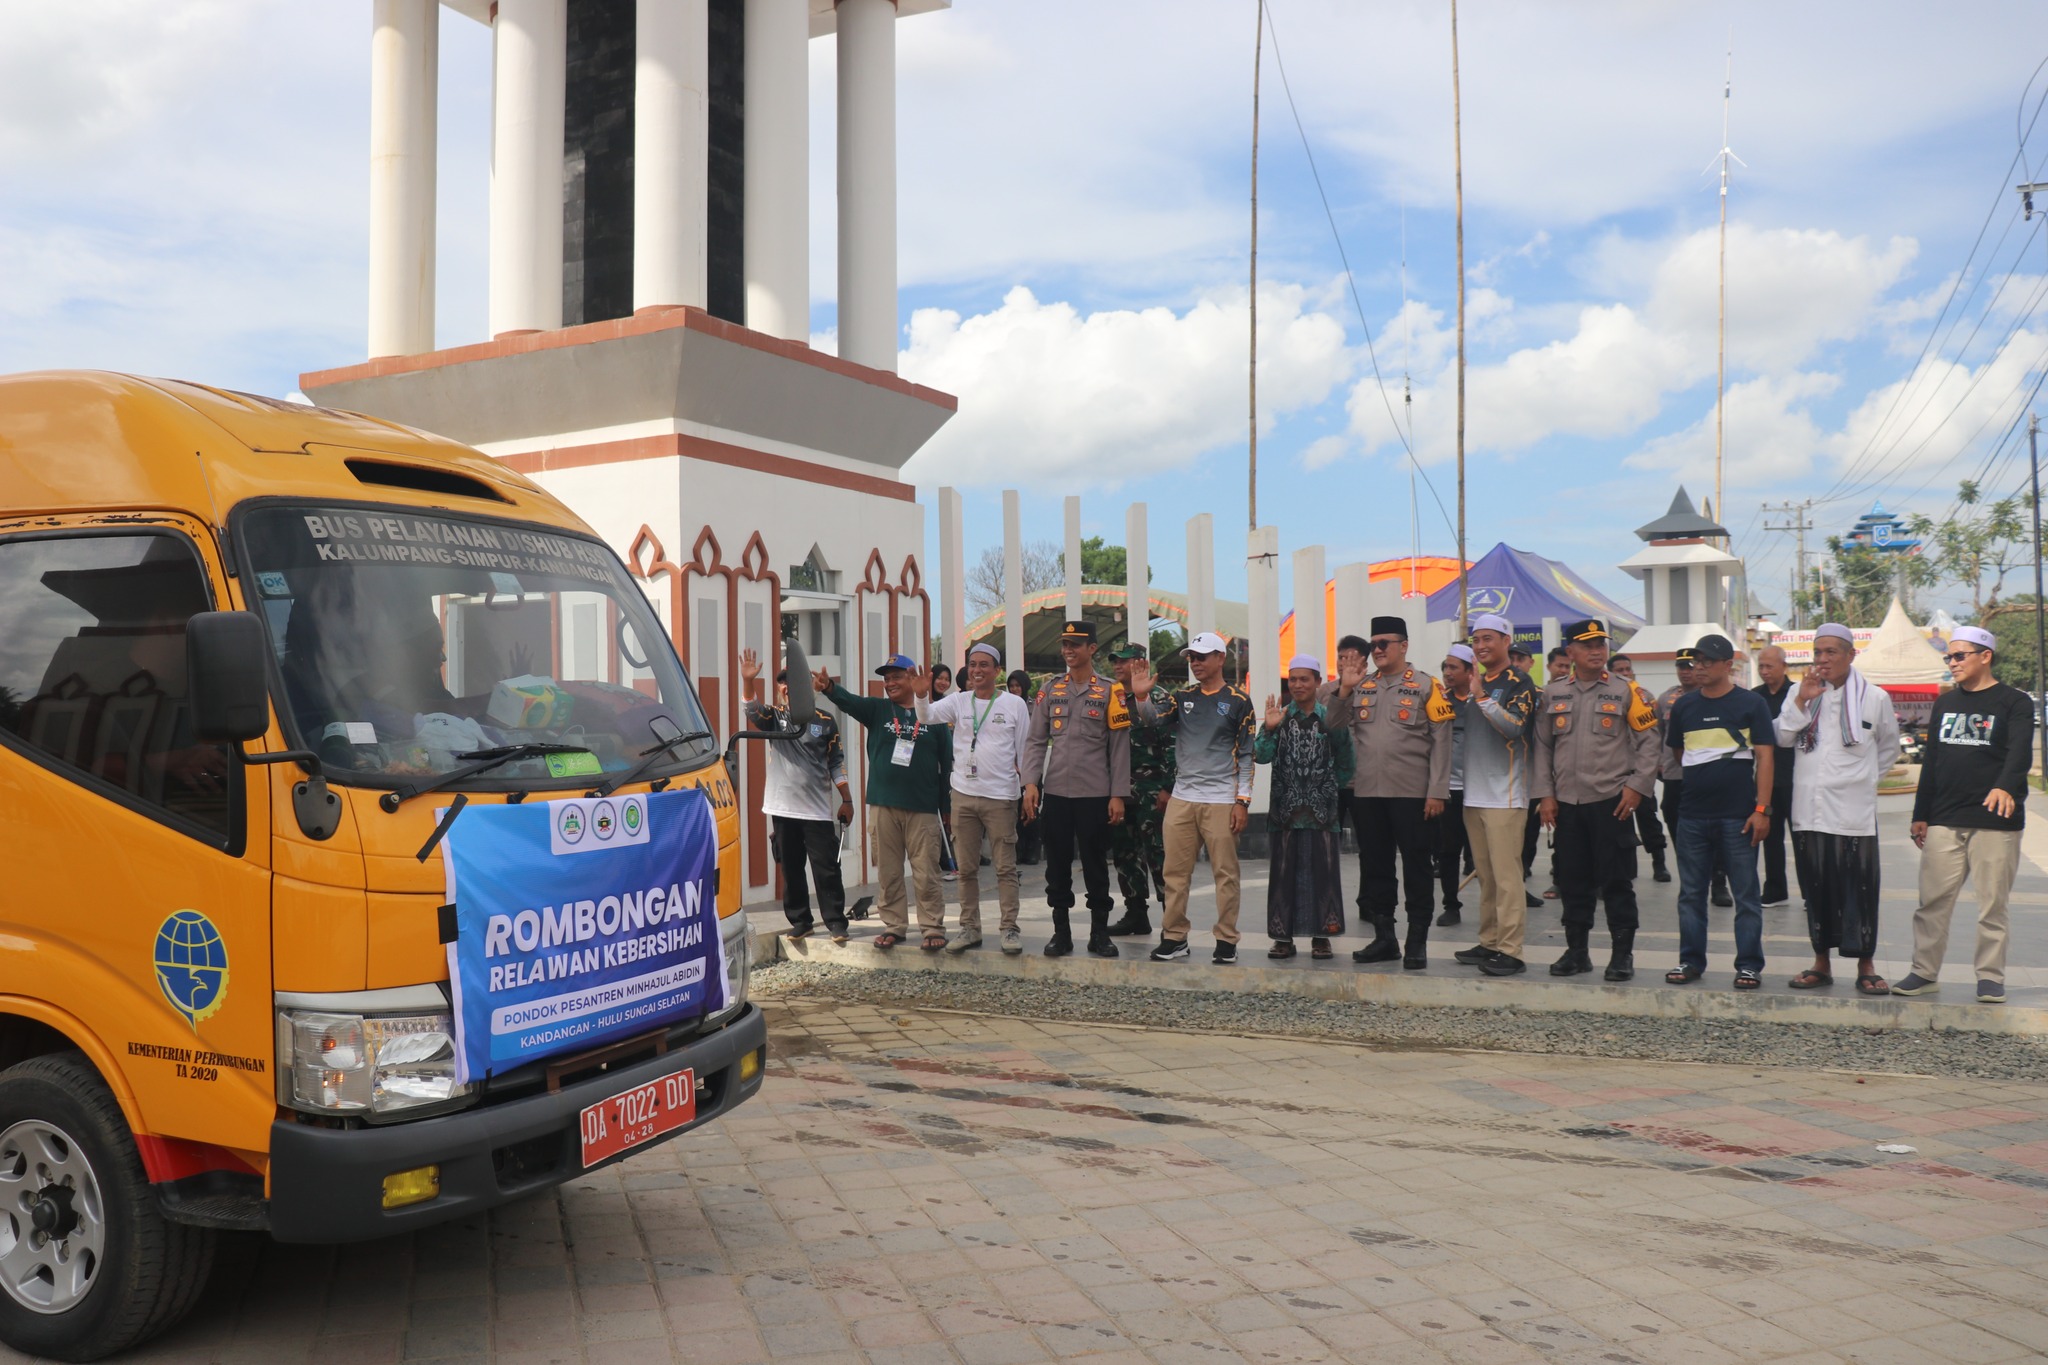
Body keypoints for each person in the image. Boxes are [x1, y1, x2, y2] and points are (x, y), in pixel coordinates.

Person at [1893, 626, 2034, 1004]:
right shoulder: (1944, 703)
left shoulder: (2014, 702)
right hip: (1944, 817)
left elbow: (2020, 752)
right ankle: (1924, 971)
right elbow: (1933, 761)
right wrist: (1921, 813)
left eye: (1959, 656)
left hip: (1994, 819)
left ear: (1985, 656)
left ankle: (1990, 977)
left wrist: (2005, 786)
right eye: (1948, 657)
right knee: (1932, 902)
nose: (1952, 663)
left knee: (1992, 904)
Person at [1530, 619, 1661, 980]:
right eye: (1587, 645)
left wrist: (1637, 787)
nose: (1596, 651)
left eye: (1600, 644)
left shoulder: (1627, 691)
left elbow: (1650, 743)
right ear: (1570, 652)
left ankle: (1622, 956)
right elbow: (1541, 747)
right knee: (1572, 881)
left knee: (1617, 881)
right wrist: (1545, 794)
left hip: (1611, 802)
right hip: (1567, 805)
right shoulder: (1553, 693)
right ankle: (1577, 952)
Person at [1774, 623, 1901, 995]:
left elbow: (1888, 748)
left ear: (1850, 655)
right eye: (1818, 652)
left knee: (1860, 888)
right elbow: (1781, 735)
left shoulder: (1874, 698)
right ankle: (1821, 963)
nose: (1823, 659)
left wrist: (1861, 780)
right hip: (1808, 811)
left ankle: (1866, 965)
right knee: (1816, 888)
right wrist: (1801, 700)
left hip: (1853, 814)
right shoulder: (1802, 692)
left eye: (1831, 652)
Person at [1323, 617, 1455, 968]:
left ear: (1404, 646)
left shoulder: (1428, 686)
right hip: (1367, 792)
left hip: (1412, 793)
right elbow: (1332, 725)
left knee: (1417, 865)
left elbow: (1442, 742)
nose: (1377, 650)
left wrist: (1437, 791)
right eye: (1374, 644)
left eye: (1385, 643)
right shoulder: (1361, 685)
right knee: (1377, 865)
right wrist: (1345, 690)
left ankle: (1417, 940)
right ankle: (1384, 938)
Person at [1128, 632, 1258, 963]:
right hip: (1183, 798)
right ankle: (1174, 937)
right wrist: (1141, 698)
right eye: (1191, 657)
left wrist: (1242, 802)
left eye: (1202, 656)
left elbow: (1246, 755)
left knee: (1225, 874)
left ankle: (1226, 940)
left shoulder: (1240, 701)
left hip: (1221, 800)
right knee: (1174, 872)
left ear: (1221, 658)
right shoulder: (1181, 697)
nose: (1195, 663)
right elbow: (1152, 723)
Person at [1661, 634, 1776, 991]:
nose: (1700, 667)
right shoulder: (1684, 706)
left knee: (1745, 894)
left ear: (1729, 665)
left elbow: (1766, 758)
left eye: (1709, 661)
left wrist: (1762, 810)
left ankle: (1749, 965)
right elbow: (1681, 754)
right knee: (1691, 894)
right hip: (1692, 815)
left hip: (1738, 817)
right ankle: (1691, 961)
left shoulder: (1751, 703)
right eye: (1697, 660)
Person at [816, 654, 952, 951]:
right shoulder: (878, 709)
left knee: (926, 871)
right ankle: (894, 926)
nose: (889, 682)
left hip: (924, 807)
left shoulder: (934, 715)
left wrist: (946, 809)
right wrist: (829, 688)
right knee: (889, 871)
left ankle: (931, 927)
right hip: (883, 804)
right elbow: (848, 701)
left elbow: (947, 765)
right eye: (886, 678)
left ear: (912, 678)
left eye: (896, 677)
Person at [1020, 621, 1131, 958]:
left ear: (1092, 649)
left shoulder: (1112, 691)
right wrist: (1030, 784)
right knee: (1056, 865)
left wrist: (1118, 794)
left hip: (1096, 794)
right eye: (1065, 644)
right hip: (1056, 792)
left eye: (1076, 645)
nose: (1069, 650)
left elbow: (1119, 747)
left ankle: (1099, 934)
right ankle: (1061, 933)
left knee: (1096, 865)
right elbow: (1036, 741)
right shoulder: (1051, 689)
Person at [915, 643, 1031, 954]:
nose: (977, 670)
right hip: (963, 796)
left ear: (997, 670)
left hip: (1001, 796)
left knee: (1005, 868)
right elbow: (925, 717)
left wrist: (1030, 787)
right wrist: (921, 694)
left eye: (984, 665)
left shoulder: (1014, 704)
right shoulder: (959, 701)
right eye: (972, 664)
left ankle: (1009, 929)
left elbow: (1025, 750)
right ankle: (969, 928)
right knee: (966, 869)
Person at [740, 648, 852, 943]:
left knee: (826, 869)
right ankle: (801, 921)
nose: (786, 686)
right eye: (781, 683)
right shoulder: (775, 717)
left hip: (816, 810)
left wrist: (847, 799)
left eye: (792, 680)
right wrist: (748, 681)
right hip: (782, 807)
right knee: (790, 868)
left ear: (808, 685)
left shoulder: (825, 720)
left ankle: (837, 923)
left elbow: (836, 763)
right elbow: (752, 711)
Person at [1453, 615, 1539, 975]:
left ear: (1506, 640)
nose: (1481, 646)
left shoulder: (1520, 682)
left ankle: (1511, 950)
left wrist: (1482, 698)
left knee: (1507, 878)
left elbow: (1515, 728)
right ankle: (1489, 941)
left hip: (1505, 796)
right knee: (1486, 876)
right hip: (1473, 795)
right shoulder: (1476, 682)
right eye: (1476, 641)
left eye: (1488, 639)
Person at [1256, 655, 1354, 959]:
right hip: (1283, 813)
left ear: (1317, 682)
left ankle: (1322, 936)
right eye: (1293, 679)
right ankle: (1282, 938)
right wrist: (1269, 729)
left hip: (1322, 814)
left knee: (1323, 876)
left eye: (1304, 679)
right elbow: (1260, 756)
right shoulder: (1279, 716)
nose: (1297, 685)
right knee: (1283, 876)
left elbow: (1347, 761)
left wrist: (1325, 788)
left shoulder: (1331, 717)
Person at [1108, 642, 1176, 937]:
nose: (1117, 666)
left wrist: (1168, 788)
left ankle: (1171, 921)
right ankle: (1136, 913)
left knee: (1159, 856)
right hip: (1123, 790)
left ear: (1139, 663)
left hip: (1153, 791)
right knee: (1125, 854)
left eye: (1123, 661)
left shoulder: (1160, 698)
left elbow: (1173, 745)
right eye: (1114, 661)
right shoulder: (1112, 697)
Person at [1656, 649, 1729, 904]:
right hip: (1675, 776)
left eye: (1690, 665)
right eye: (1681, 666)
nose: (1686, 671)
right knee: (1678, 829)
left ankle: (1718, 882)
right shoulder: (1666, 699)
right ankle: (1689, 879)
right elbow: (1658, 735)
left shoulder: (1714, 697)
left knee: (1716, 830)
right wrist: (1657, 764)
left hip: (1708, 776)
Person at [1610, 653, 1671, 883]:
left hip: (1640, 770)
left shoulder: (1644, 697)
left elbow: (1654, 735)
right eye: (1620, 670)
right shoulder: (1607, 695)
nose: (1626, 673)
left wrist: (1655, 764)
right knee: (1617, 822)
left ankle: (1659, 862)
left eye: (1628, 669)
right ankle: (1622, 869)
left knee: (1648, 816)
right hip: (1615, 771)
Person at [1751, 644, 1799, 906]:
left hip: (1796, 777)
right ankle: (1775, 890)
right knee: (1769, 837)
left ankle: (1810, 893)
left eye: (1769, 666)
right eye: (1761, 666)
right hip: (1766, 781)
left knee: (1802, 839)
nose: (1764, 671)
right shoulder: (1754, 698)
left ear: (1784, 666)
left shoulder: (1797, 694)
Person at [1434, 645, 1477, 927]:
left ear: (1470, 671)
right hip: (1449, 789)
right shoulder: (1439, 701)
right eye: (1445, 668)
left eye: (1454, 668)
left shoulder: (1482, 700)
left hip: (1482, 790)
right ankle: (1451, 904)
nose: (1448, 673)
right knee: (1448, 852)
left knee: (1487, 854)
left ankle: (1499, 904)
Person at [1006, 670, 1041, 864]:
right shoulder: (1005, 706)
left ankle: (1033, 850)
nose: (1014, 689)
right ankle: (1018, 850)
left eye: (1017, 686)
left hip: (1031, 763)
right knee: (1016, 809)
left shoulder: (1035, 705)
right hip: (1011, 764)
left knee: (1032, 807)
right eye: (1011, 686)